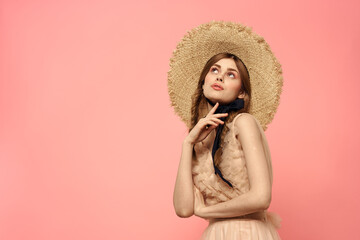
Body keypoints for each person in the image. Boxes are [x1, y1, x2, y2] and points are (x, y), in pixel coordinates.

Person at [168, 21, 283, 240]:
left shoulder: (244, 122)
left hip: (248, 233)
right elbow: (183, 209)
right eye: (215, 70)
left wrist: (205, 212)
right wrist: (188, 144)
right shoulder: (199, 140)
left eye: (231, 74)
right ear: (203, 83)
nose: (220, 77)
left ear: (242, 94)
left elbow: (261, 197)